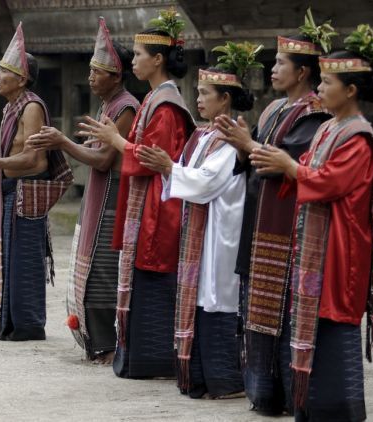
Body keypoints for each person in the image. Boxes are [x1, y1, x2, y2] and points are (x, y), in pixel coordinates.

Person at [249, 24, 373, 421]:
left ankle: (340, 407)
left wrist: (290, 166)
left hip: (340, 245)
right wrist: (291, 167)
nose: (321, 88)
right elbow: (311, 168)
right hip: (317, 241)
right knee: (313, 317)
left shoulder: (359, 136)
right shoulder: (329, 126)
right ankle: (311, 405)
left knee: (335, 319)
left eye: (327, 82)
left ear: (350, 91)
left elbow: (329, 181)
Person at [213, 9, 333, 415]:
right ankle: (262, 392)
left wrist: (248, 145)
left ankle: (282, 393)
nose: (273, 68)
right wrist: (239, 145)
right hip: (259, 223)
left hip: (286, 231)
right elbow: (255, 161)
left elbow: (291, 161)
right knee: (255, 310)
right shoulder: (272, 110)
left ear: (302, 73)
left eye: (281, 62)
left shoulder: (314, 114)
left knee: (281, 313)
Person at [141, 42, 262, 399]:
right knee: (200, 299)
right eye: (197, 92)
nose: (198, 99)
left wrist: (169, 167)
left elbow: (208, 180)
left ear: (225, 99)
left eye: (205, 93)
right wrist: (172, 169)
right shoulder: (202, 133)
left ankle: (225, 383)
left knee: (217, 298)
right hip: (202, 229)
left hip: (221, 230)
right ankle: (203, 380)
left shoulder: (231, 136)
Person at [79, 8, 195, 378]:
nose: (135, 61)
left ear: (157, 59)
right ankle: (139, 358)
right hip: (146, 205)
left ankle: (153, 360)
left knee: (154, 283)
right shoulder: (152, 99)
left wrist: (116, 140)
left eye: (140, 54)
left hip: (159, 208)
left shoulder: (165, 105)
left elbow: (150, 160)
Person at [27, 18, 139, 364]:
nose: (91, 77)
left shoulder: (126, 107)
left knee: (103, 271)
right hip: (97, 194)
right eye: (89, 70)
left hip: (113, 197)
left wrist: (62, 141)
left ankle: (108, 344)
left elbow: (104, 160)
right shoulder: (107, 105)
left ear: (116, 76)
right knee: (87, 268)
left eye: (98, 71)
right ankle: (96, 342)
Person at [0, 23, 73, 341]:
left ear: (21, 79)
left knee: (25, 259)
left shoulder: (32, 106)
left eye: (4, 71)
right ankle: (13, 323)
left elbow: (34, 160)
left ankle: (29, 324)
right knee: (11, 257)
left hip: (27, 192)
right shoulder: (12, 107)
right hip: (12, 190)